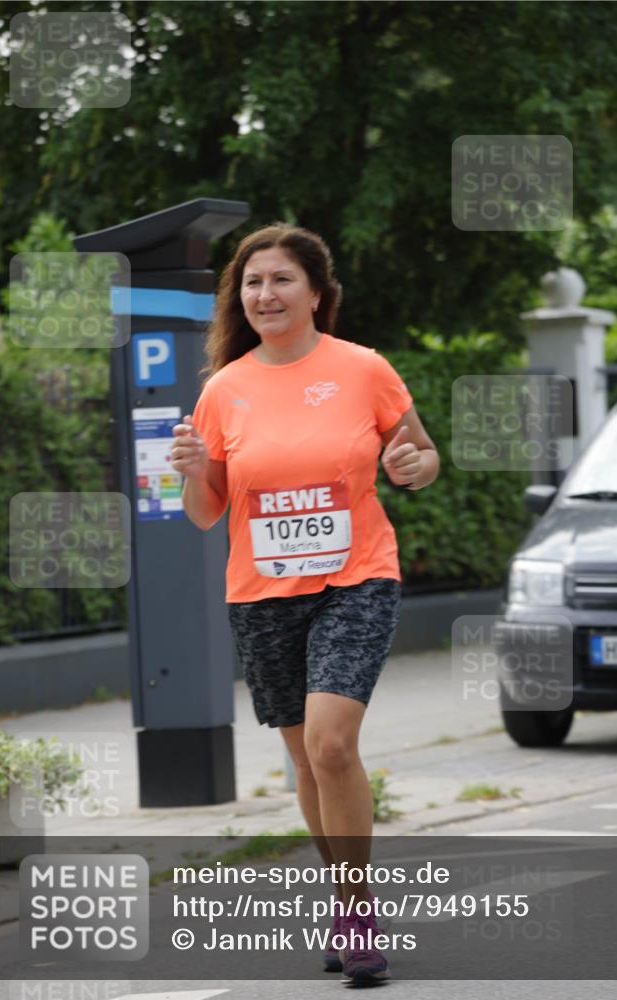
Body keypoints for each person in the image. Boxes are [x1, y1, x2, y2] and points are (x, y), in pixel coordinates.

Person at [172, 223, 439, 983]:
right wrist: (193, 470)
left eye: (281, 279)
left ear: (316, 292)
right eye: (252, 283)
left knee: (330, 744)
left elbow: (419, 457)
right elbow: (204, 512)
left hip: (355, 576)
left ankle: (357, 912)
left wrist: (413, 465)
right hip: (262, 593)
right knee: (301, 760)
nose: (265, 295)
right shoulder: (224, 388)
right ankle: (341, 895)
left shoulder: (362, 370)